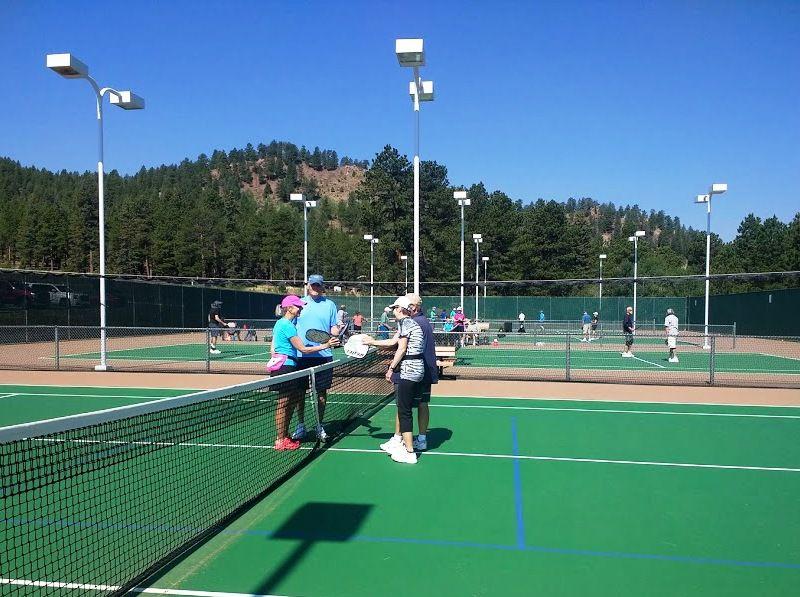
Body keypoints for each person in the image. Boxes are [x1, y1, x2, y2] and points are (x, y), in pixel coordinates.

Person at [370, 293, 439, 453]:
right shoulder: (424, 321)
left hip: (411, 370)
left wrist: (371, 342)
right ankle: (421, 439)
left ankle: (398, 439)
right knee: (422, 404)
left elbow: (396, 344)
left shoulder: (411, 322)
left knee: (403, 406)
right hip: (425, 370)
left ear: (413, 307)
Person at [271, 295, 339, 451]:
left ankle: (284, 436)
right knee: (283, 404)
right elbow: (303, 349)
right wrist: (326, 345)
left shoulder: (283, 324)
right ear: (289, 308)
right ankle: (280, 439)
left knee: (287, 404)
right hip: (285, 367)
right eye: (298, 306)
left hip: (288, 364)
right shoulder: (286, 325)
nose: (300, 308)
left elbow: (274, 347)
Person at [363, 295, 425, 464]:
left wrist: (391, 368)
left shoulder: (405, 323)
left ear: (400, 309)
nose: (393, 312)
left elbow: (402, 348)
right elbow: (392, 341)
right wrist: (372, 342)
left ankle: (410, 452)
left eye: (394, 309)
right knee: (406, 409)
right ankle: (405, 446)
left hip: (409, 371)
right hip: (416, 370)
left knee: (404, 411)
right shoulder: (409, 323)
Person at [292, 274, 339, 442]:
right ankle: (301, 425)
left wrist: (336, 334)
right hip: (302, 355)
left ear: (322, 286)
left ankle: (319, 425)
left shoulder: (330, 305)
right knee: (299, 393)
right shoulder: (299, 303)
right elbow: (289, 325)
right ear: (308, 285)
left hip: (324, 356)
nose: (315, 288)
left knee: (321, 393)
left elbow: (333, 327)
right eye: (313, 285)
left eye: (318, 285)